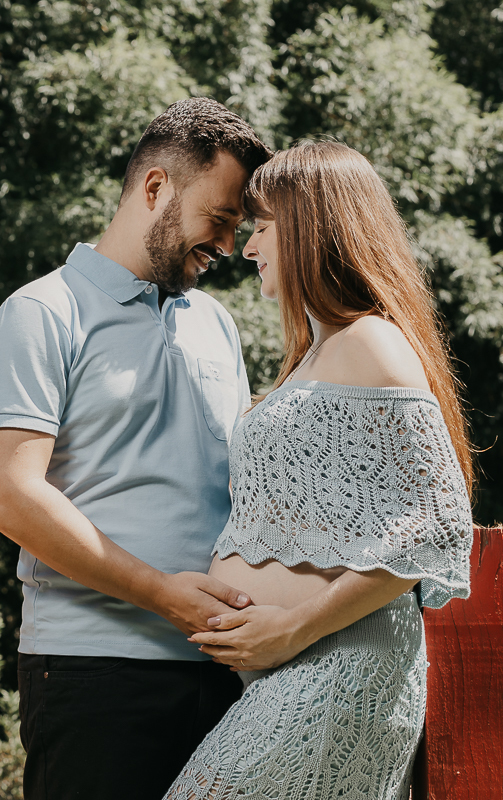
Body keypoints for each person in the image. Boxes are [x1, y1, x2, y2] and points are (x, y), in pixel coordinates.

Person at [0, 98, 272, 800]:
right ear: (156, 187)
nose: (228, 244)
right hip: (92, 672)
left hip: (225, 671)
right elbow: (9, 496)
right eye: (220, 217)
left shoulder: (218, 324)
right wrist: (164, 596)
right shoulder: (41, 313)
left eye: (239, 226)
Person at [164, 140, 475, 799]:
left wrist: (294, 626)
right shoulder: (319, 352)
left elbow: (436, 524)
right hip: (294, 671)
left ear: (314, 227)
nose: (248, 247)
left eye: (263, 227)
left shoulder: (372, 342)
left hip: (340, 665)